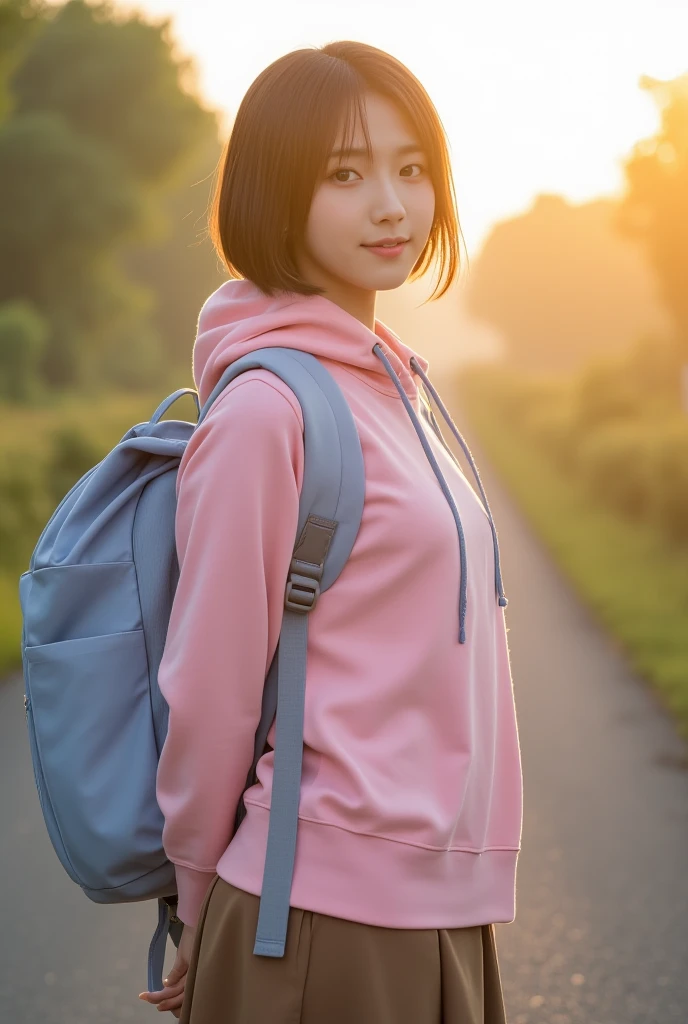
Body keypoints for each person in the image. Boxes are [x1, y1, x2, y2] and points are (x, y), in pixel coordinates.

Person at [137, 38, 523, 1023]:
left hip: (442, 909)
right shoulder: (268, 411)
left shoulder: (399, 389)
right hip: (315, 920)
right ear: (274, 193)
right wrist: (194, 898)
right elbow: (211, 684)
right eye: (344, 174)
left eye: (411, 167)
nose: (391, 204)